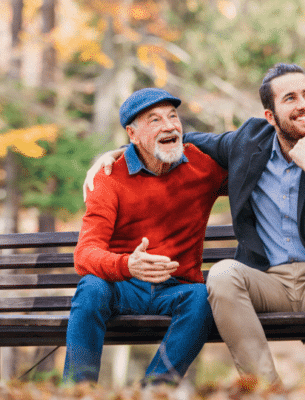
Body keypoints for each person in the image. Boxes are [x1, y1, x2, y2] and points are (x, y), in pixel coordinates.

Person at [85, 64, 305, 384]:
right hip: (267, 283)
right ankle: (265, 389)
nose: (303, 104)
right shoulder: (246, 143)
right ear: (270, 117)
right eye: (290, 98)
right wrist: (119, 151)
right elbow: (173, 138)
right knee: (222, 273)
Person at [64, 88, 228, 386]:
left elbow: (256, 163)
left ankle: (155, 390)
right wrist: (128, 265)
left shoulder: (203, 166)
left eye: (173, 116)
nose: (169, 125)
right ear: (133, 134)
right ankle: (77, 390)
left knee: (202, 298)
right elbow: (85, 254)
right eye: (154, 120)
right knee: (90, 288)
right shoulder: (109, 176)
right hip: (122, 287)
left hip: (176, 289)